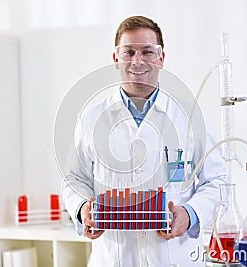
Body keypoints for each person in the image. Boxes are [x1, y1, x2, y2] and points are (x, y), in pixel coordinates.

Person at [61, 15, 227, 266]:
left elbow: (218, 181)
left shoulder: (191, 116)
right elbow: (73, 179)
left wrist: (189, 214)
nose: (138, 61)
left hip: (174, 258)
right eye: (129, 52)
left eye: (147, 52)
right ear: (116, 59)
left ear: (161, 58)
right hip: (114, 258)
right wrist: (83, 208)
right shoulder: (92, 117)